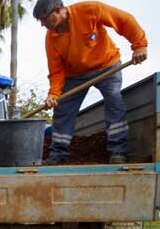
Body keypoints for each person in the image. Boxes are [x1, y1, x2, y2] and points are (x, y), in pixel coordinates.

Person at [33, 0, 147, 164]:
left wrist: (139, 46)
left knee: (114, 100)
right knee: (62, 108)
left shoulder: (90, 10)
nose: (43, 24)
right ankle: (58, 154)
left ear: (58, 10)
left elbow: (124, 20)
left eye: (44, 19)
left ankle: (118, 152)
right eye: (40, 21)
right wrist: (53, 94)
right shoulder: (51, 38)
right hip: (75, 75)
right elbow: (56, 70)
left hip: (107, 67)